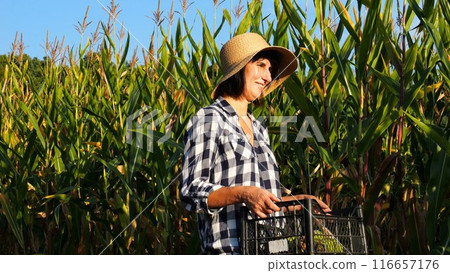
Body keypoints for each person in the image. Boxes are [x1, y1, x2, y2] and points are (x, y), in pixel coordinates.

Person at [179, 32, 330, 254]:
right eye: (260, 65)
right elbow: (191, 191)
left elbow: (261, 197)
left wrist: (297, 202)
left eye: (270, 69)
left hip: (270, 252)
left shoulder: (259, 129)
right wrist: (243, 194)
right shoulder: (209, 119)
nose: (268, 76)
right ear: (238, 70)